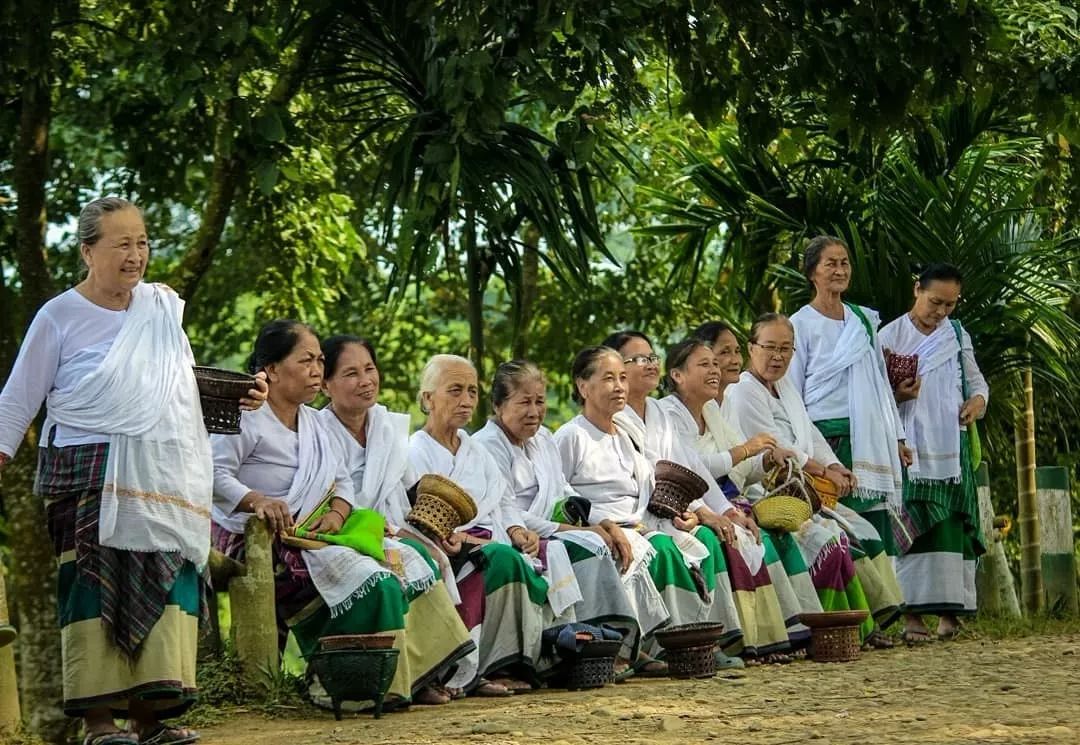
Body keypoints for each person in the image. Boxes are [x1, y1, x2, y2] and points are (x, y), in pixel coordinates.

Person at [0, 197, 266, 745]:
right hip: (85, 474)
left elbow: (179, 390)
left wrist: (243, 396)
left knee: (169, 578)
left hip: (162, 477)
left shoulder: (161, 311)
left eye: (142, 242)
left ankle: (151, 719)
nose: (136, 255)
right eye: (122, 243)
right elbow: (17, 400)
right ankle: (100, 724)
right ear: (88, 251)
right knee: (91, 586)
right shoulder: (58, 316)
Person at [212, 321, 470, 710]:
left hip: (323, 530)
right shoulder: (247, 418)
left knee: (414, 562)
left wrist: (336, 513)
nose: (316, 369)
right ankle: (346, 686)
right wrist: (257, 500)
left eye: (319, 360)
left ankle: (415, 676)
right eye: (306, 361)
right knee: (376, 580)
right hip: (270, 535)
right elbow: (212, 475)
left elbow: (341, 480)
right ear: (273, 369)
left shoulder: (315, 422)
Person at [601, 330, 790, 664]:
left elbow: (691, 471)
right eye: (638, 359)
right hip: (639, 518)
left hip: (672, 514)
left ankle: (712, 642)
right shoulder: (613, 418)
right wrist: (699, 513)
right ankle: (677, 646)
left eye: (652, 357)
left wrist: (722, 511)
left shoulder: (657, 414)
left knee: (716, 534)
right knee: (691, 538)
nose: (649, 365)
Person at [723, 313, 905, 641]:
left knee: (863, 529)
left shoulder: (785, 386)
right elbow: (777, 444)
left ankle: (871, 618)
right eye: (769, 347)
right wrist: (821, 470)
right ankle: (842, 627)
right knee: (831, 540)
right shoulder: (743, 392)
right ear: (752, 348)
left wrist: (834, 465)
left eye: (786, 349)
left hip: (805, 490)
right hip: (769, 494)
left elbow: (810, 433)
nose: (777, 356)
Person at [317, 335, 477, 702]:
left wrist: (440, 531)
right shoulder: (317, 429)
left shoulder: (386, 426)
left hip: (391, 526)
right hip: (344, 530)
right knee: (404, 563)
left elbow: (410, 489)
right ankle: (400, 678)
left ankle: (427, 672)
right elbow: (321, 495)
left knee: (432, 555)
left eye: (369, 369)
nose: (365, 380)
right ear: (326, 383)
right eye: (351, 373)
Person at [554, 345, 729, 669]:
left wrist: (685, 512)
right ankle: (662, 645)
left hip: (642, 524)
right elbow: (560, 496)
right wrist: (602, 524)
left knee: (699, 541)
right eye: (608, 379)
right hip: (603, 531)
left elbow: (648, 488)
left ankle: (698, 639)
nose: (619, 386)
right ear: (583, 386)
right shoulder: (571, 436)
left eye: (622, 377)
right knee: (660, 546)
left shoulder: (624, 435)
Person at [473, 360, 647, 668]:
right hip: (516, 536)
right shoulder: (486, 446)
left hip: (552, 530)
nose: (534, 411)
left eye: (539, 401)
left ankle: (616, 641)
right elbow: (505, 511)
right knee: (590, 546)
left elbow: (565, 491)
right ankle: (592, 646)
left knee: (612, 541)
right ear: (499, 405)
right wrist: (574, 532)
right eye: (524, 402)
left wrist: (603, 522)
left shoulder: (543, 440)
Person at [658, 335, 819, 655]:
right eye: (705, 364)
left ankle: (799, 630)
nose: (715, 370)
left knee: (772, 535)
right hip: (686, 505)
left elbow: (737, 470)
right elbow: (691, 470)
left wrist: (765, 460)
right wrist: (745, 451)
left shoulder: (712, 412)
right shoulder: (668, 414)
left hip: (723, 498)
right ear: (677, 375)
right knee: (744, 539)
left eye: (715, 364)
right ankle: (751, 640)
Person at [408, 354, 552, 696]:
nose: (466, 400)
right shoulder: (415, 450)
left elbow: (501, 501)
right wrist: (453, 537)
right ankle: (466, 669)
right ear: (428, 398)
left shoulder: (475, 451)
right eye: (455, 390)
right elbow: (413, 513)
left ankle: (498, 665)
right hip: (449, 547)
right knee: (500, 558)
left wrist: (517, 529)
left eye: (472, 391)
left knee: (512, 555)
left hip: (491, 538)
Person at [788, 237, 907, 629]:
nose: (840, 270)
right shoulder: (799, 324)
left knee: (876, 521)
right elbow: (792, 390)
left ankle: (884, 613)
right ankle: (851, 621)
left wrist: (898, 437)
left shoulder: (862, 320)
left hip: (871, 434)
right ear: (812, 272)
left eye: (844, 263)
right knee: (841, 521)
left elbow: (877, 381)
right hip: (826, 437)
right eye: (830, 264)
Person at [879, 264, 988, 642]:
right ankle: (912, 617)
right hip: (908, 446)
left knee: (951, 527)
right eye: (935, 302)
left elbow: (976, 382)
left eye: (950, 305)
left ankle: (949, 615)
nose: (941, 312)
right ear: (916, 290)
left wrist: (978, 401)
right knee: (914, 527)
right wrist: (898, 396)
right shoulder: (888, 335)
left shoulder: (956, 334)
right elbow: (874, 398)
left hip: (951, 447)